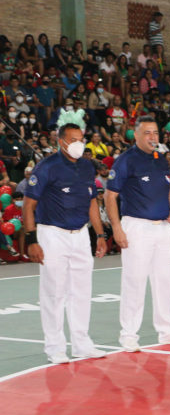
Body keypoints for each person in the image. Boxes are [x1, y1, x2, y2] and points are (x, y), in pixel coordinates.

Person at [21, 123, 109, 363]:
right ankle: (55, 347)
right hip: (52, 234)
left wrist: (100, 235)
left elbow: (92, 202)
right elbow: (28, 205)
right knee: (54, 292)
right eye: (74, 139)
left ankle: (82, 343)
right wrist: (32, 240)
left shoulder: (86, 166)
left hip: (80, 234)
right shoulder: (46, 167)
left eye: (81, 138)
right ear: (61, 142)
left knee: (81, 291)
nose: (80, 143)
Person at [104, 116, 170, 350]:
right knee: (134, 280)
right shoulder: (125, 161)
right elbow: (109, 196)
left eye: (155, 133)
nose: (153, 137)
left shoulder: (161, 159)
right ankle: (129, 334)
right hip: (136, 226)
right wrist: (117, 228)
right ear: (136, 135)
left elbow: (167, 188)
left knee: (163, 281)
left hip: (162, 227)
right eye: (147, 133)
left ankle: (167, 330)